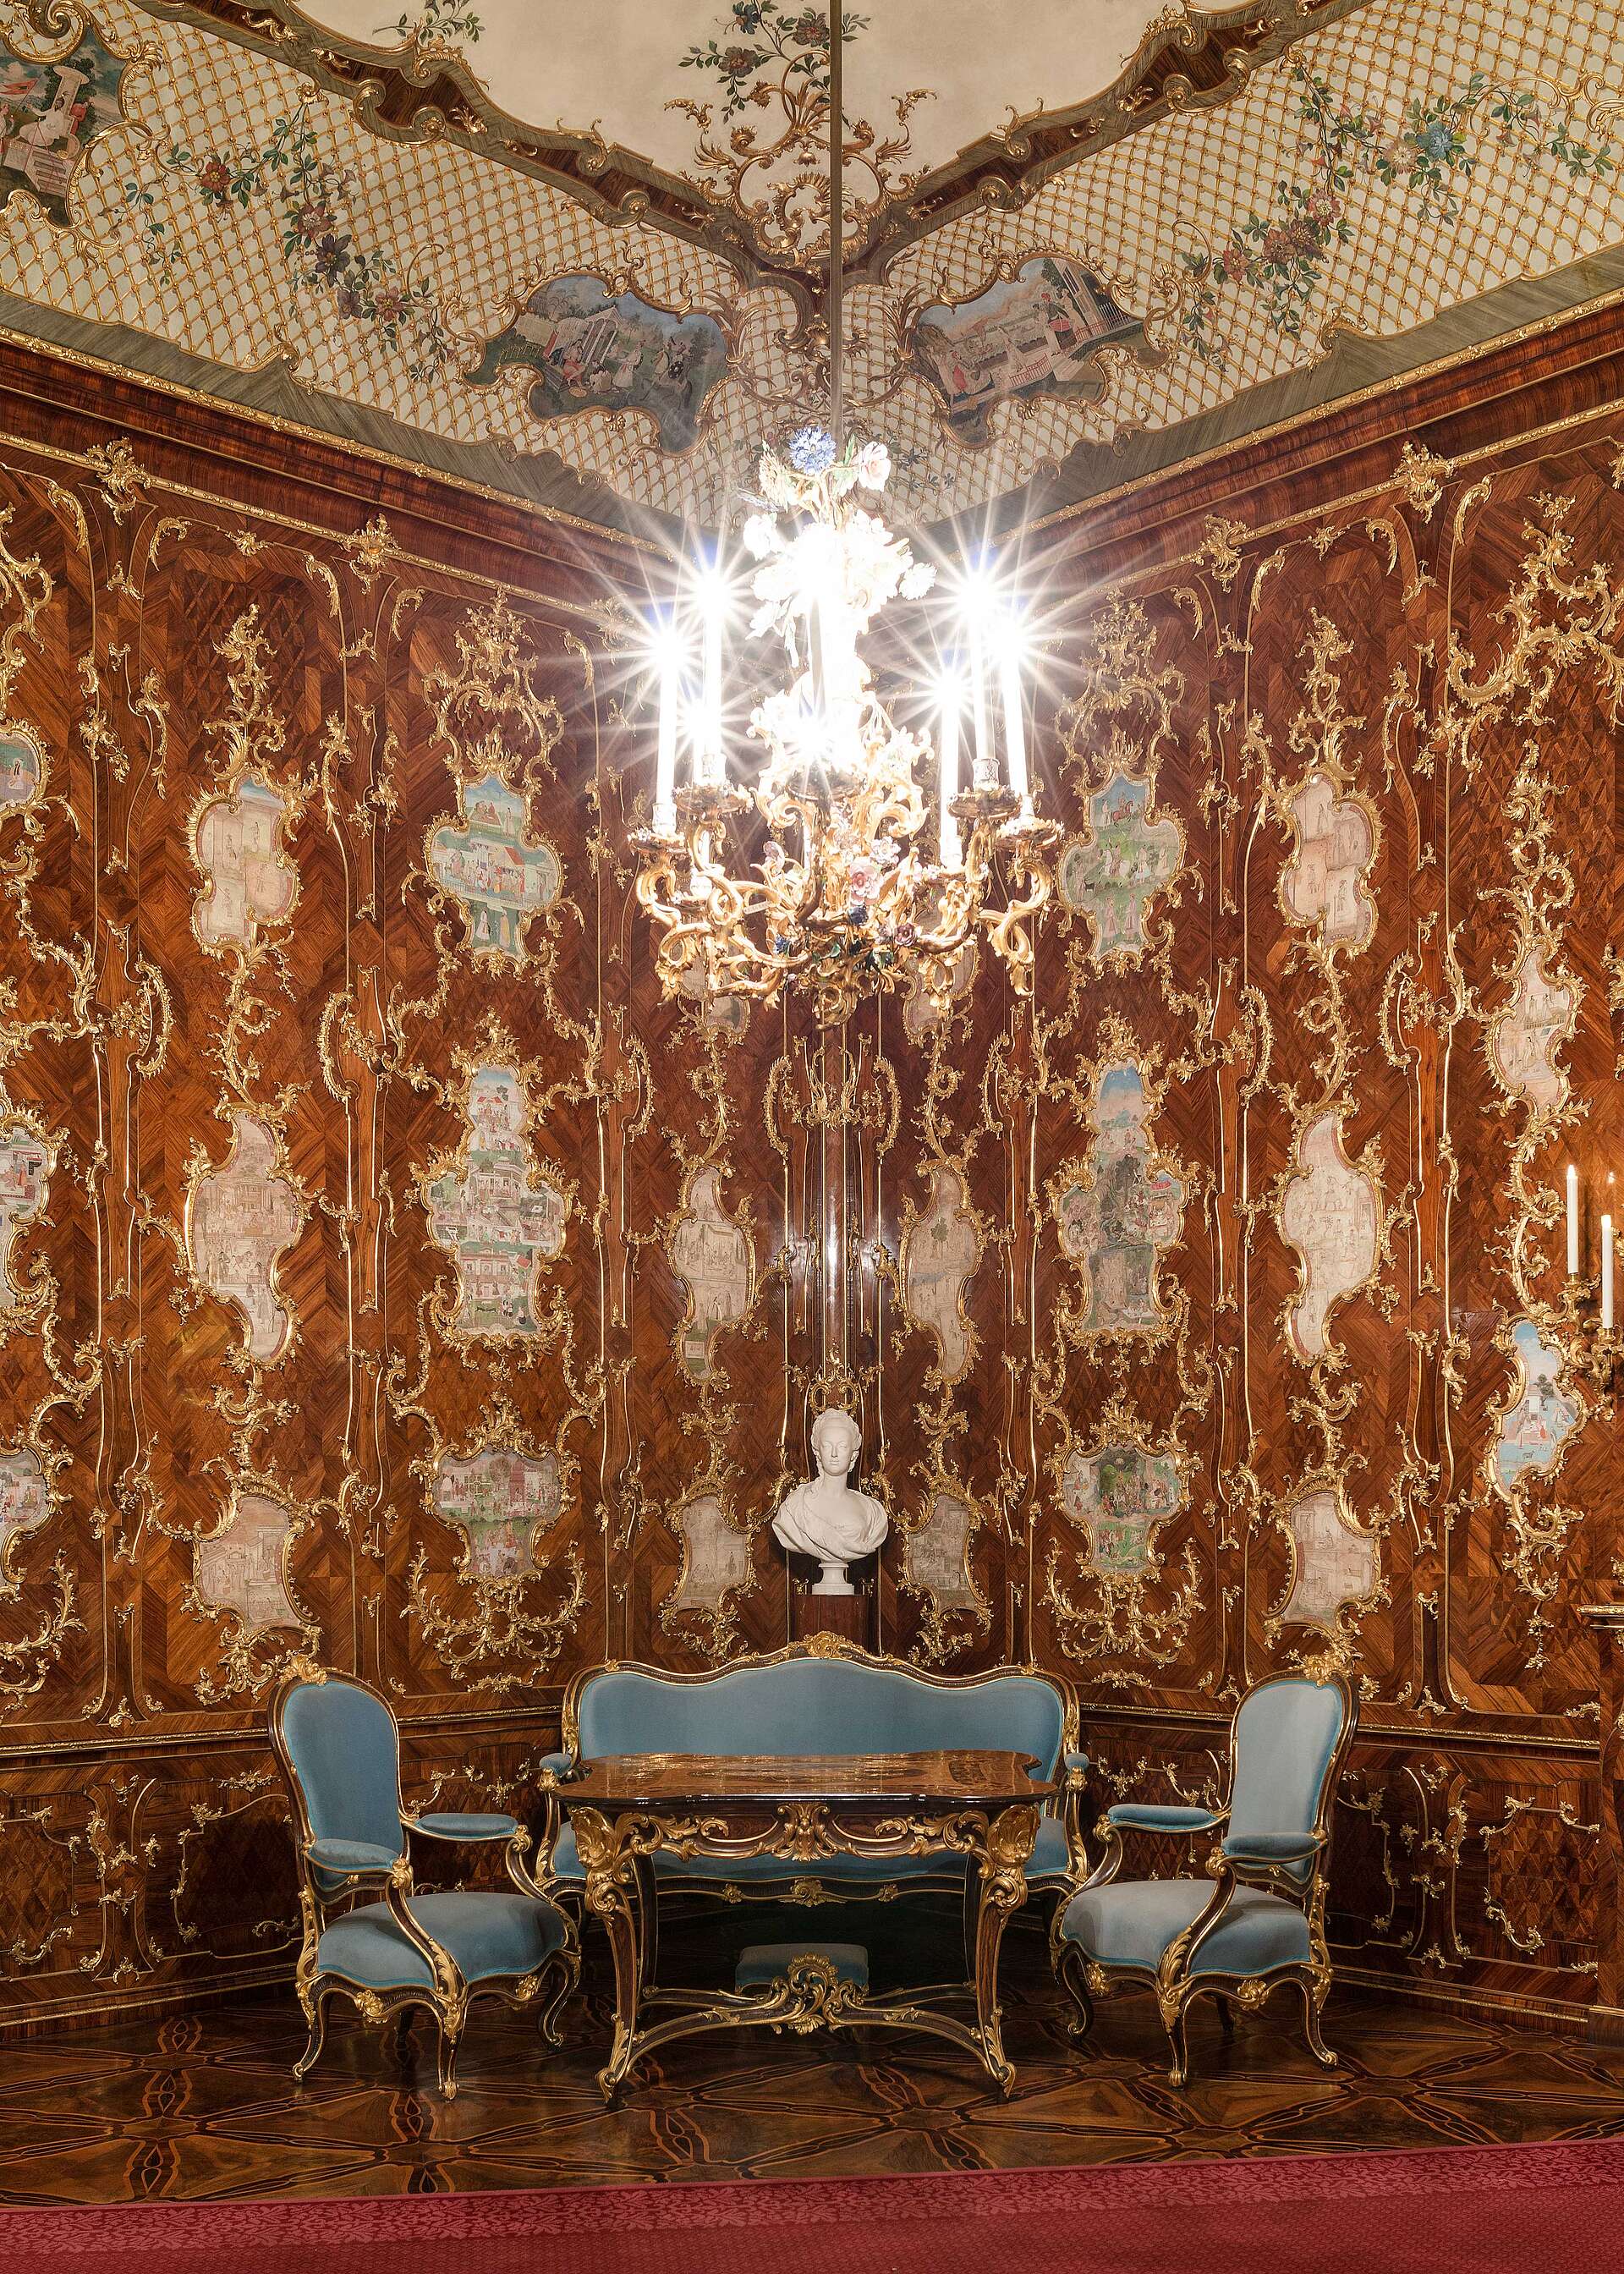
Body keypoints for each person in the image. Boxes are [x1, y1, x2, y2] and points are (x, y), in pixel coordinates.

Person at [771, 1406, 887, 1595]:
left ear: (853, 1455)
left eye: (842, 1446)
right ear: (817, 1452)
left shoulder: (872, 1512)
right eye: (827, 1446)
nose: (834, 1454)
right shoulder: (794, 1507)